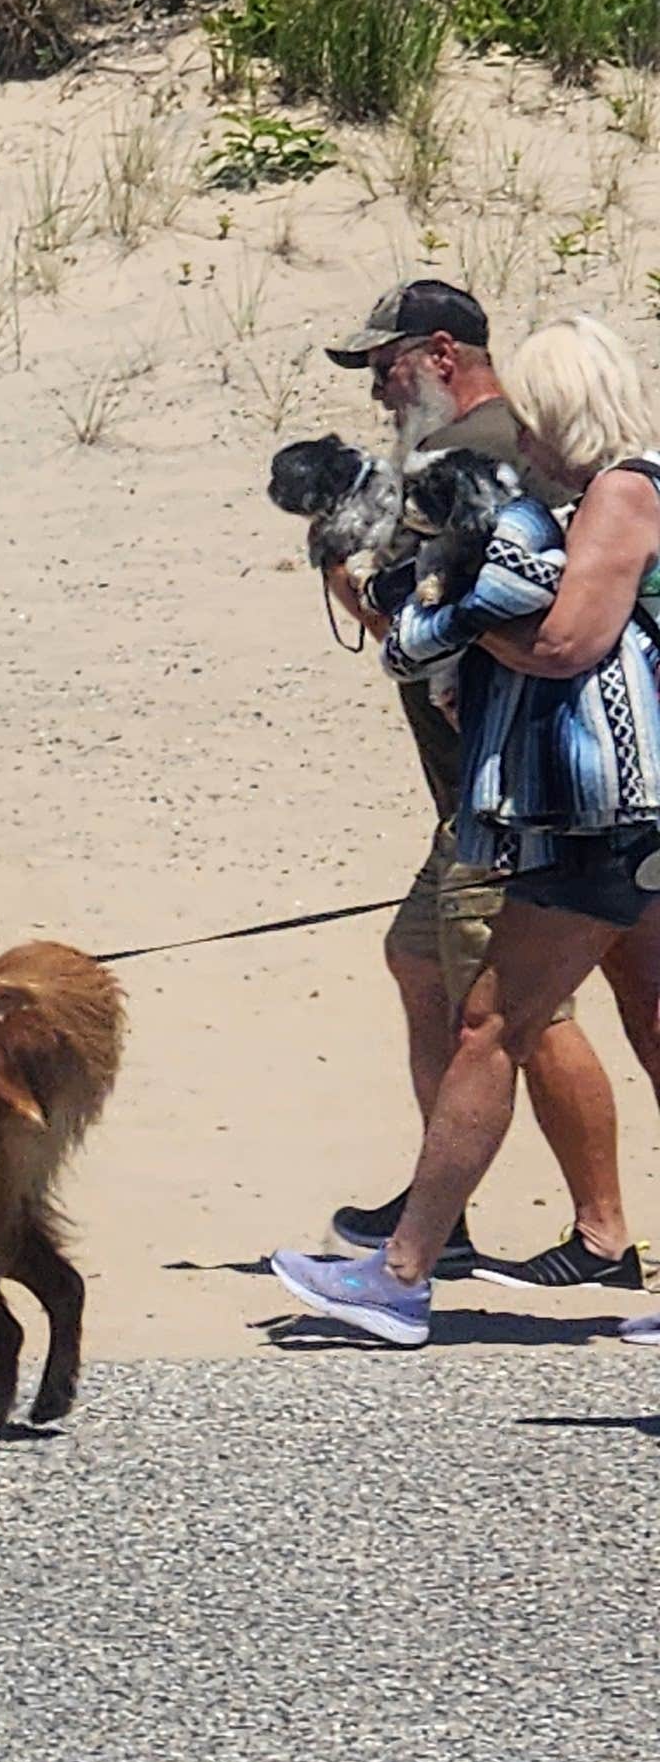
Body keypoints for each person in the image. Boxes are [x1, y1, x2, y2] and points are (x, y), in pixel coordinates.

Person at [277, 313, 660, 1345]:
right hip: (595, 806)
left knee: (496, 1022)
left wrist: (453, 608)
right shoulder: (593, 494)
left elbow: (569, 640)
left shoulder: (626, 487)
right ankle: (415, 1261)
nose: (517, 436)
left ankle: (405, 1271)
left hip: (598, 807)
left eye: (531, 416)